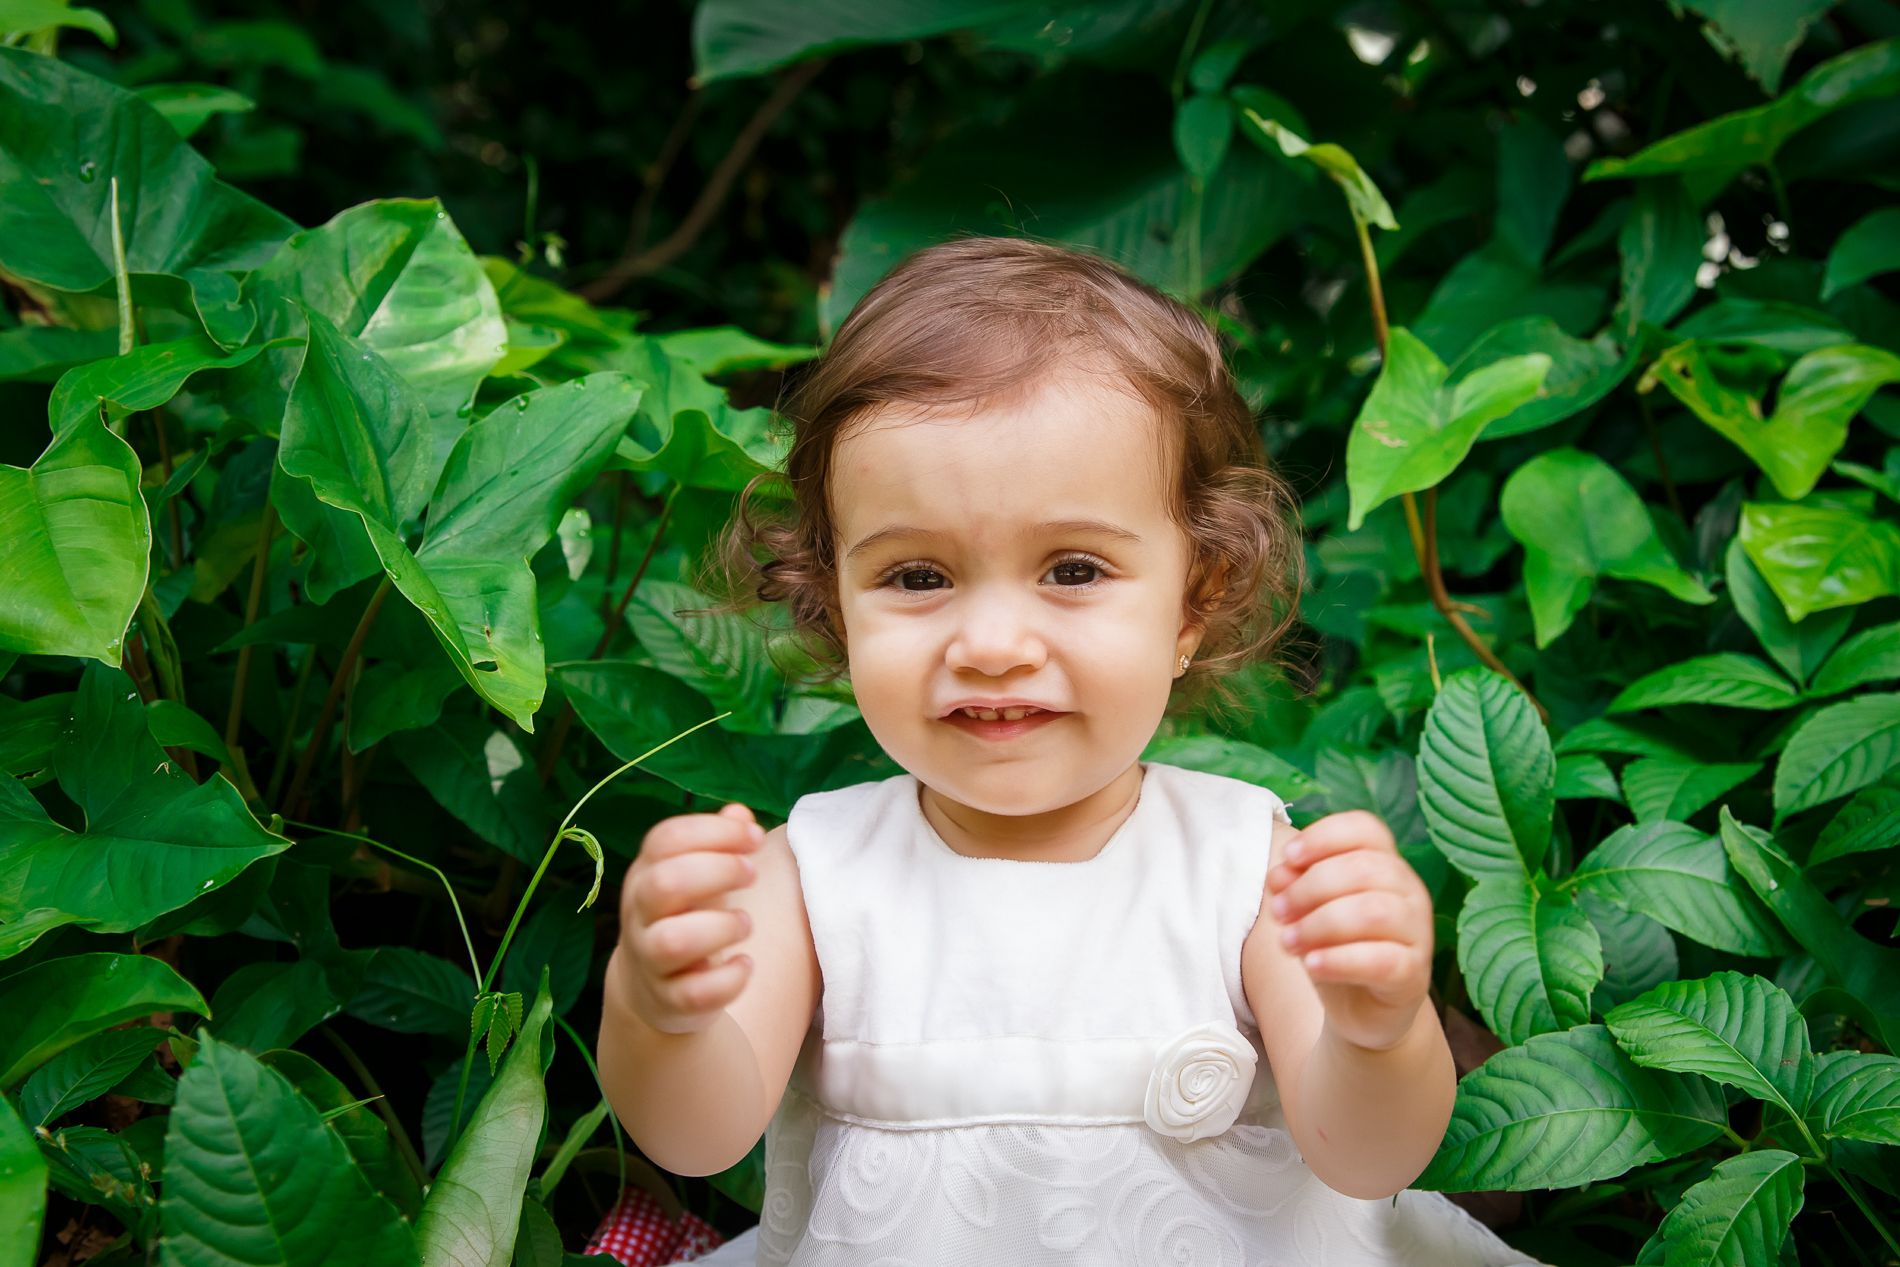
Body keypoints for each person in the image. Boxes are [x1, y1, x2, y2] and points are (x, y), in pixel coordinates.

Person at [595, 235, 1547, 1265]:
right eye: (917, 577)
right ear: (833, 604)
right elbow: (697, 1133)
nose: (994, 645)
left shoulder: (1246, 866)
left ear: (1195, 600)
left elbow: (1367, 1159)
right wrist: (656, 1009)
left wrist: (1378, 1029)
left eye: (1074, 569)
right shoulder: (813, 875)